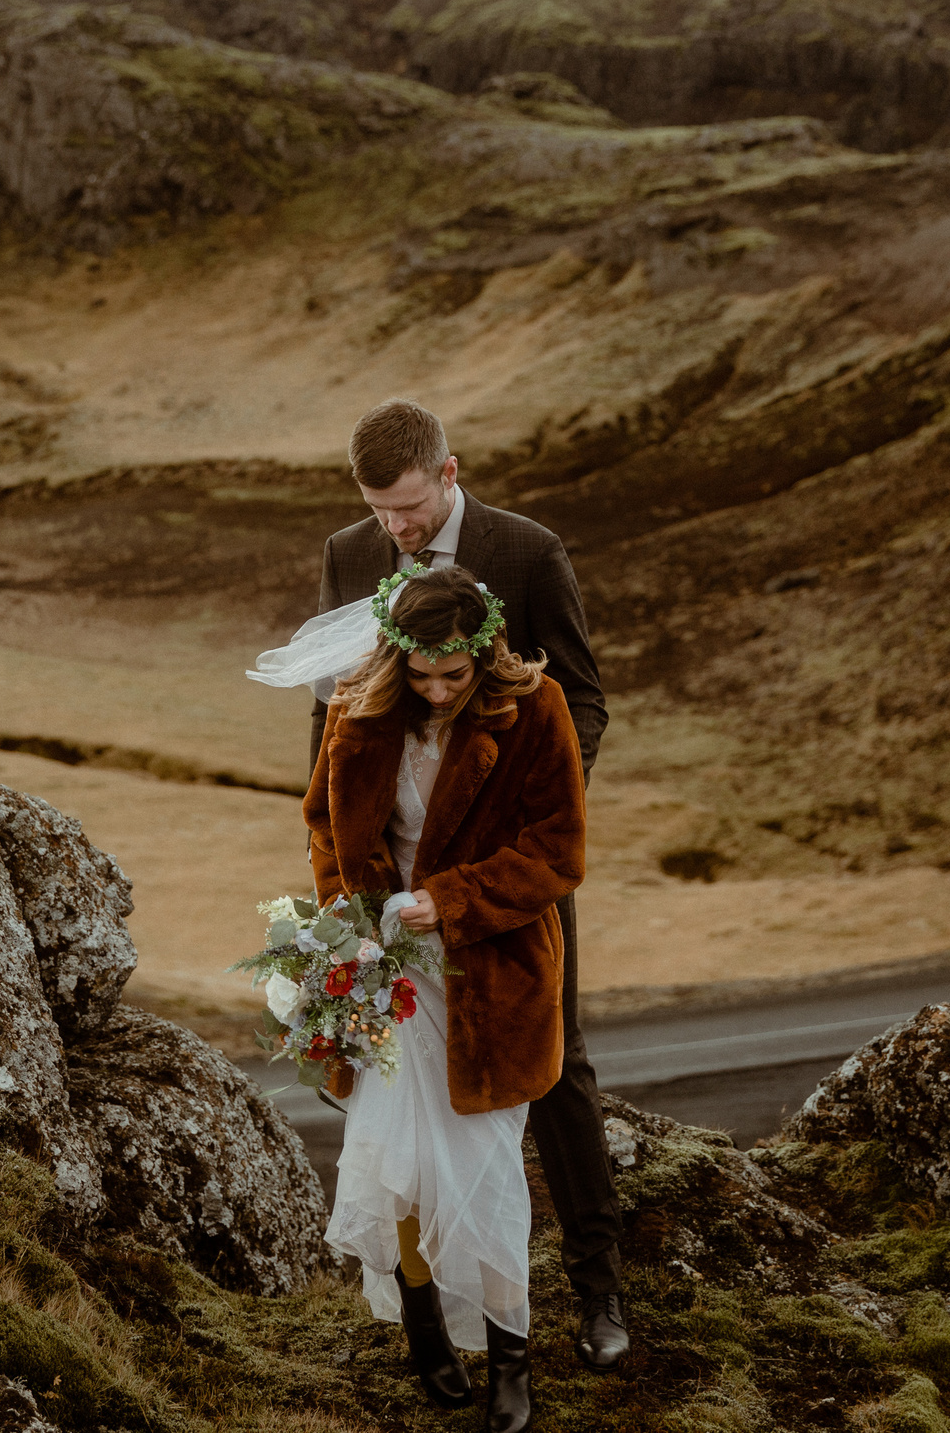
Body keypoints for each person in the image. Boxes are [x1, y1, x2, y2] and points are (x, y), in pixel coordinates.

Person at [307, 399, 630, 1375]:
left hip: (510, 867)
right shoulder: (349, 553)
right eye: (379, 511)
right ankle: (430, 1302)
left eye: (407, 508)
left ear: (449, 473)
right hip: (388, 885)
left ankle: (600, 1284)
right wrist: (344, 882)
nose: (394, 528)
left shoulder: (526, 551)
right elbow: (332, 721)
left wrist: (520, 822)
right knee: (392, 1075)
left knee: (556, 1062)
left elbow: (580, 697)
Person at [304, 566, 584, 1433]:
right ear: (397, 657)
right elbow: (325, 827)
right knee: (402, 1161)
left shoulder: (537, 709)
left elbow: (558, 849)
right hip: (386, 974)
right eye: (420, 674)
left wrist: (452, 899)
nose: (435, 690)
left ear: (484, 654)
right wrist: (348, 925)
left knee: (485, 1172)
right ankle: (423, 1320)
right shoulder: (359, 709)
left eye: (453, 676)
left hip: (492, 977)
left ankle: (509, 1355)